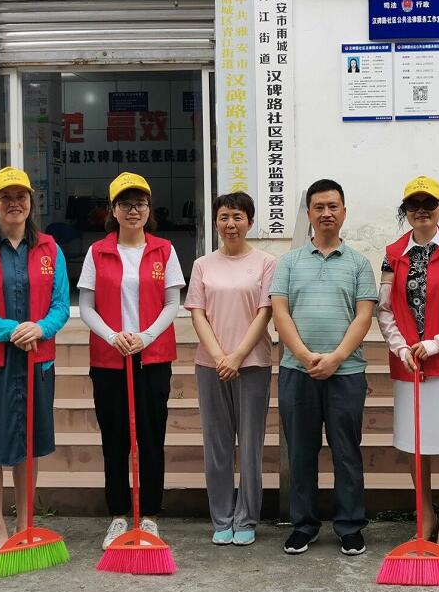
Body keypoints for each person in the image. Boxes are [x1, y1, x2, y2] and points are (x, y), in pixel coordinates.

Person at [0, 167, 70, 560]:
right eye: (5, 197)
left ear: (31, 202)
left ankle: (25, 524)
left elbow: (61, 306)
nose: (14, 203)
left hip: (37, 362)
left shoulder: (50, 249)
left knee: (29, 446)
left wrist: (39, 328)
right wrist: (11, 330)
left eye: (21, 196)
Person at [270, 179, 377, 556]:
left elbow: (363, 317)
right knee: (301, 451)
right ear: (310, 213)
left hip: (346, 373)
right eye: (319, 207)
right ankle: (304, 525)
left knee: (346, 451)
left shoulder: (359, 263)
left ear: (344, 212)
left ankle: (350, 526)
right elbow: (280, 312)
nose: (326, 213)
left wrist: (335, 358)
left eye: (333, 206)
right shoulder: (289, 262)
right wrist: (304, 356)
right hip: (297, 372)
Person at [78, 172, 185, 549]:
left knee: (152, 438)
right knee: (115, 440)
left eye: (140, 203)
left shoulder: (164, 250)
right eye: (125, 204)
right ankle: (119, 515)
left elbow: (173, 303)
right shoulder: (97, 252)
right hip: (109, 361)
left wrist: (146, 337)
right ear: (113, 210)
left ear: (149, 208)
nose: (133, 210)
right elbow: (86, 306)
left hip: (152, 359)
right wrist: (113, 337)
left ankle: (150, 515)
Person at [375, 176, 439, 554]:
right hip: (410, 364)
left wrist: (437, 343)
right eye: (413, 205)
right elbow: (384, 310)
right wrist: (401, 347)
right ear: (405, 211)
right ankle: (426, 516)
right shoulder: (392, 254)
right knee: (415, 445)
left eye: (429, 204)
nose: (421, 211)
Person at [186, 191, 276, 546]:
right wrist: (219, 356)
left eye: (238, 216)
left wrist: (237, 356)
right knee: (217, 445)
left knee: (251, 445)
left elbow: (265, 312)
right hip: (210, 365)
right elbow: (197, 313)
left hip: (252, 363)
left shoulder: (266, 262)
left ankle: (247, 517)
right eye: (224, 217)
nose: (231, 223)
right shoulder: (203, 264)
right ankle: (222, 517)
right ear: (216, 222)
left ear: (250, 222)